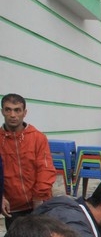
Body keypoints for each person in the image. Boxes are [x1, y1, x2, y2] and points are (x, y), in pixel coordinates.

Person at [0, 93, 57, 229]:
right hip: (13, 208)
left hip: (39, 204)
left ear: (24, 113)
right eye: (8, 110)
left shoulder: (38, 138)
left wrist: (39, 197)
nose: (13, 115)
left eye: (17, 110)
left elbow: (46, 169)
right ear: (2, 111)